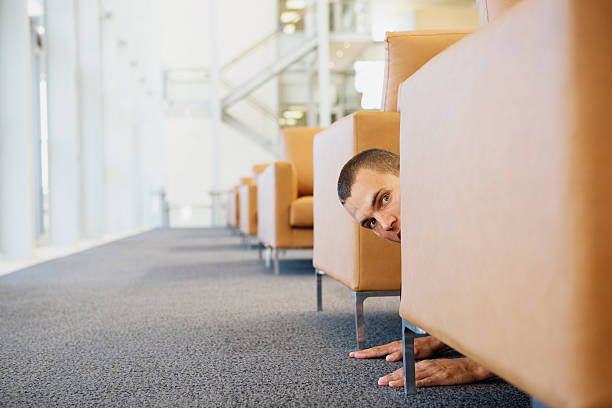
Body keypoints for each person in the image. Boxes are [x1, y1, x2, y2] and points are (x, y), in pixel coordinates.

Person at [337, 148, 495, 388]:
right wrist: (439, 341)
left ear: (411, 174)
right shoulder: (433, 243)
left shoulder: (479, 200)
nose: (386, 224)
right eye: (371, 223)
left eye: (385, 199)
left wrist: (478, 365)